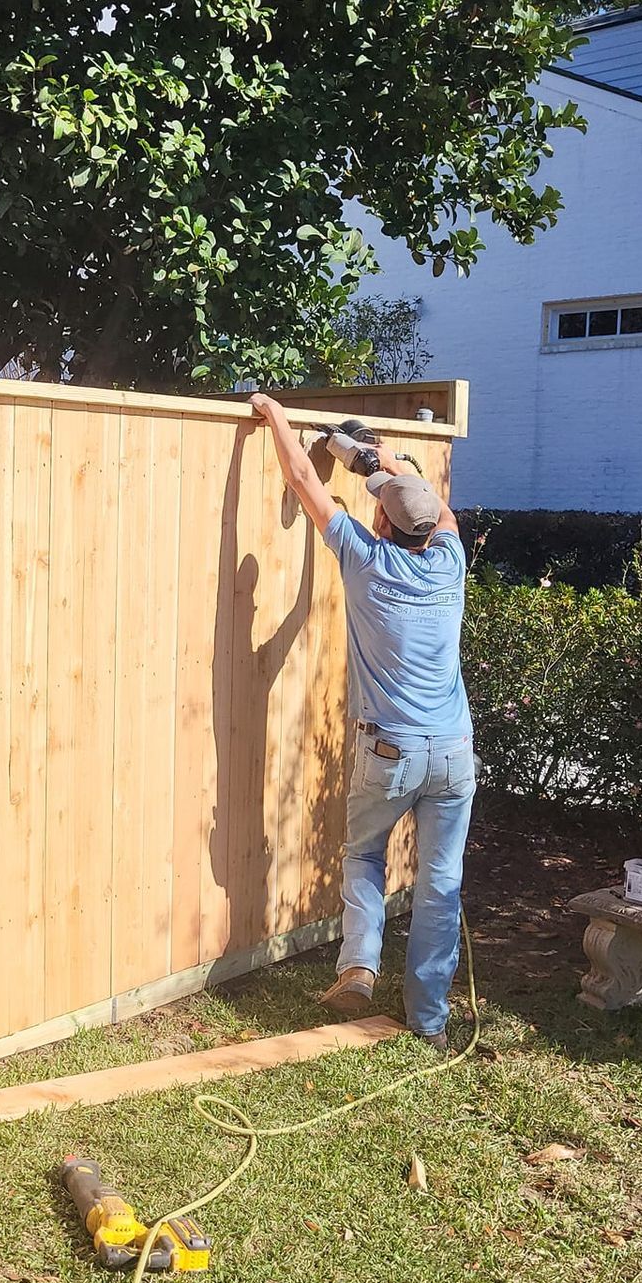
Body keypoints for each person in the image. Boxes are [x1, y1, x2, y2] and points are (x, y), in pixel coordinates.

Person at [248, 391, 475, 1050]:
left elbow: (300, 477)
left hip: (391, 751)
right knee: (439, 886)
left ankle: (359, 964)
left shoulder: (366, 561)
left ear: (379, 520)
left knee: (365, 855)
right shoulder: (450, 563)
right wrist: (382, 462)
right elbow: (439, 512)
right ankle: (429, 1022)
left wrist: (276, 415)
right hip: (454, 753)